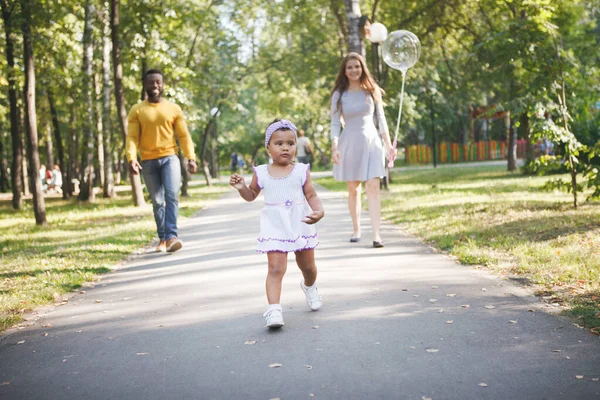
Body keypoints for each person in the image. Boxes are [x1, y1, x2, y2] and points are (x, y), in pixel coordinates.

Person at [229, 119, 325, 329]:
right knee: (275, 268)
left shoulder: (301, 170)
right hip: (275, 225)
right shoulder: (261, 172)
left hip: (300, 223)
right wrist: (242, 188)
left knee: (307, 266)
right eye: (279, 143)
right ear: (268, 147)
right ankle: (274, 310)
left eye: (290, 143)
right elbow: (251, 195)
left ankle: (310, 286)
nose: (285, 147)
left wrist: (319, 210)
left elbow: (311, 194)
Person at [126, 69, 198, 253]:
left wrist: (190, 157)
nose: (155, 85)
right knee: (157, 201)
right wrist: (131, 158)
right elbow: (132, 137)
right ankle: (163, 238)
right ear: (145, 85)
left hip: (169, 158)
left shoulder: (173, 109)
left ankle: (172, 236)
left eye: (158, 82)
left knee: (171, 195)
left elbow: (183, 135)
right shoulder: (137, 110)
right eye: (151, 82)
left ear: (163, 84)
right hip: (148, 161)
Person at [330, 52, 395, 248]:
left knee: (373, 187)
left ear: (362, 68)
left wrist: (389, 144)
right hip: (349, 141)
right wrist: (334, 147)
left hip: (372, 141)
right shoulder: (339, 95)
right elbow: (334, 123)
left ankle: (376, 235)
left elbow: (381, 119)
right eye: (349, 67)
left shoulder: (371, 90)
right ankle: (356, 228)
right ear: (345, 70)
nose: (353, 70)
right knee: (353, 189)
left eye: (357, 66)